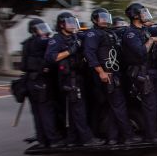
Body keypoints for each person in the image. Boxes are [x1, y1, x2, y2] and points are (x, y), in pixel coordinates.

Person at [121, 3, 157, 144]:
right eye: (142, 13)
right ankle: (151, 136)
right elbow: (141, 52)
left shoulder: (145, 29)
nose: (145, 14)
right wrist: (151, 40)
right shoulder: (130, 33)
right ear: (135, 16)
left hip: (154, 72)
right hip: (142, 75)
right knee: (150, 106)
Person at [83, 8, 141, 145]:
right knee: (119, 106)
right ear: (94, 20)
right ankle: (129, 137)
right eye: (101, 17)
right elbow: (89, 54)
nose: (104, 20)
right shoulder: (93, 34)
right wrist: (101, 72)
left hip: (114, 74)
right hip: (106, 75)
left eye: (106, 17)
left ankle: (112, 138)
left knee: (114, 107)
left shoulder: (107, 33)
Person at [45, 12, 103, 147]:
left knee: (74, 111)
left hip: (79, 77)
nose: (72, 25)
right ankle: (87, 139)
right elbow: (50, 57)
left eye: (73, 22)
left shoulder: (76, 36)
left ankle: (72, 139)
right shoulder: (57, 39)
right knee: (78, 110)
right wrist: (69, 51)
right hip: (68, 80)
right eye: (69, 23)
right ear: (61, 25)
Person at [21, 18, 64, 148]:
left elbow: (23, 66)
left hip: (31, 82)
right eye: (41, 28)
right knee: (47, 111)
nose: (45, 31)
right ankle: (53, 140)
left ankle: (42, 140)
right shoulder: (41, 42)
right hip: (41, 82)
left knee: (37, 113)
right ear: (34, 30)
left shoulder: (27, 43)